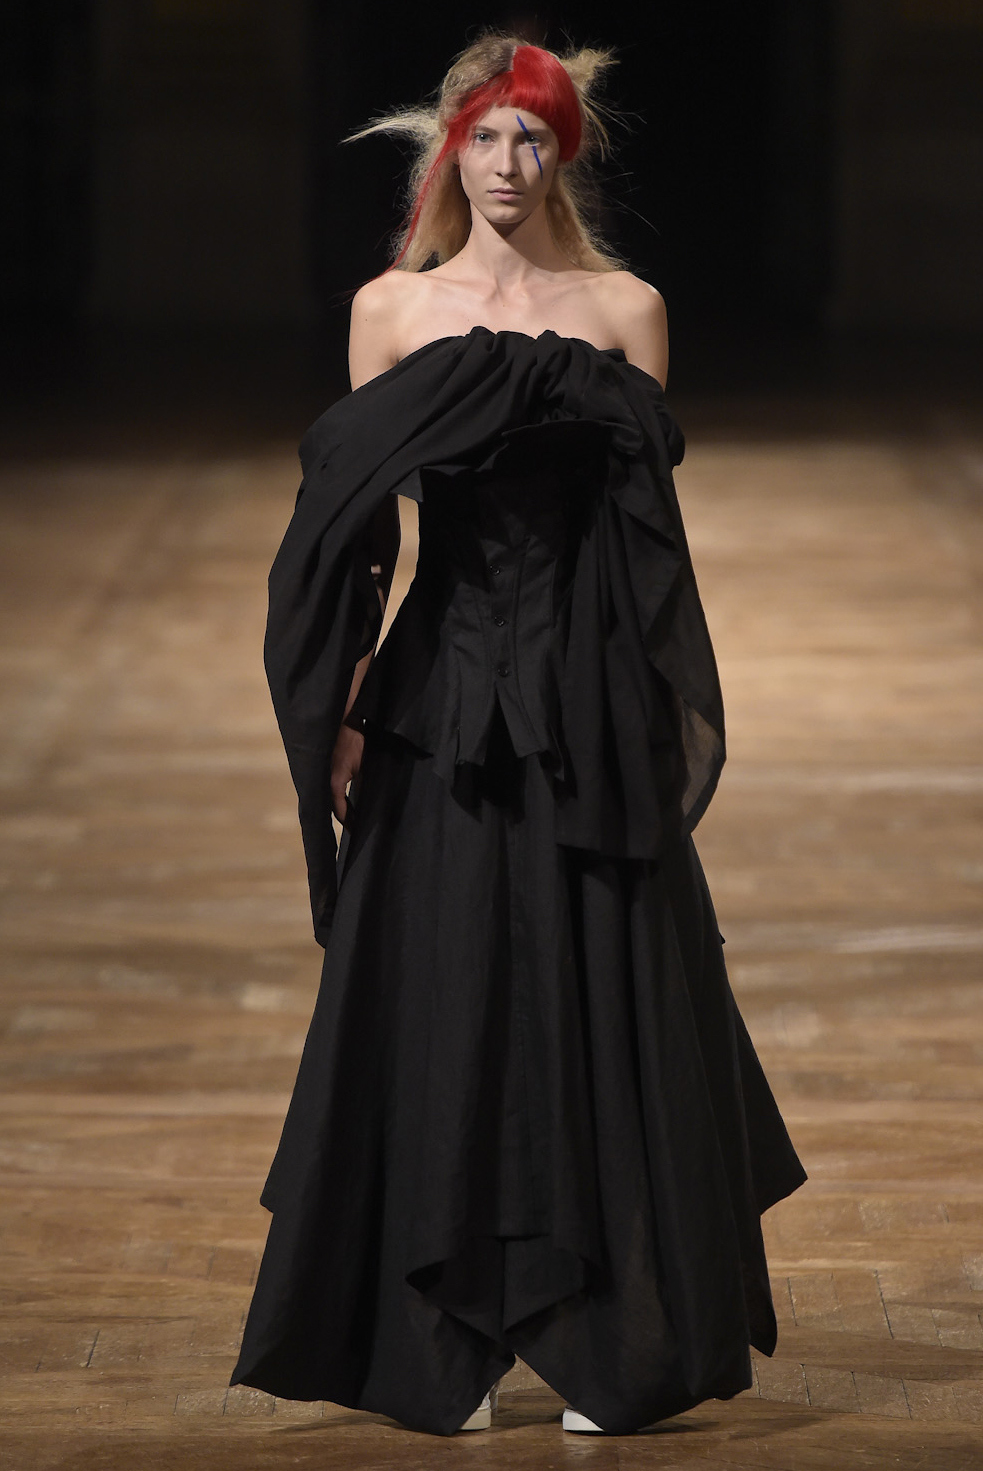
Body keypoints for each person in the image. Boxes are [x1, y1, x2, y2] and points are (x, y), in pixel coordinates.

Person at [229, 30, 806, 1438]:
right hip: (440, 701)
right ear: (450, 151)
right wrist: (347, 705)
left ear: (565, 151)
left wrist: (650, 708)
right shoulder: (390, 312)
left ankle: (618, 1338)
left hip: (586, 704)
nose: (506, 163)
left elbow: (649, 543)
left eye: (531, 137)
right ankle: (446, 1339)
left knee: (600, 993)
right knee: (443, 995)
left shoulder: (626, 310)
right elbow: (355, 540)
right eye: (483, 137)